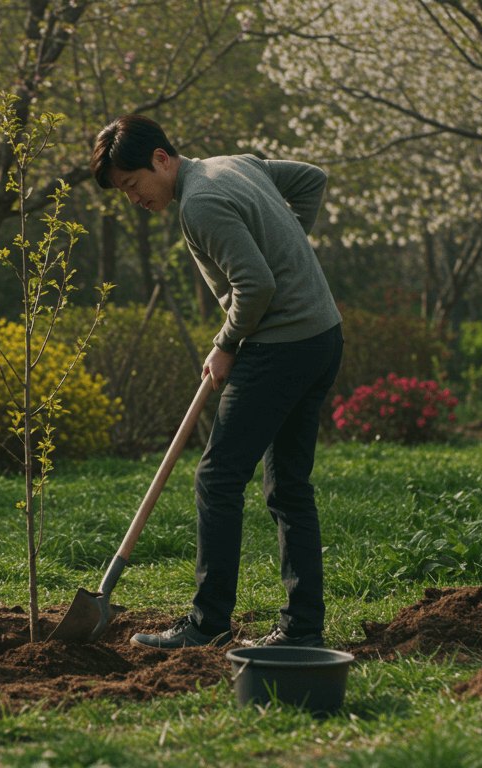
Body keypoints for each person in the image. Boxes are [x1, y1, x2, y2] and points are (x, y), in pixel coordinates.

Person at [90, 114, 344, 649]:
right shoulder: (236, 165)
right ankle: (302, 628)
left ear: (161, 158)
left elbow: (255, 285)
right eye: (123, 192)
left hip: (280, 346)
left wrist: (225, 343)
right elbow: (310, 178)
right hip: (321, 335)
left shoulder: (200, 202)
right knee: (289, 486)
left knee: (219, 478)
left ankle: (207, 625)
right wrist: (289, 241)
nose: (133, 198)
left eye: (133, 184)